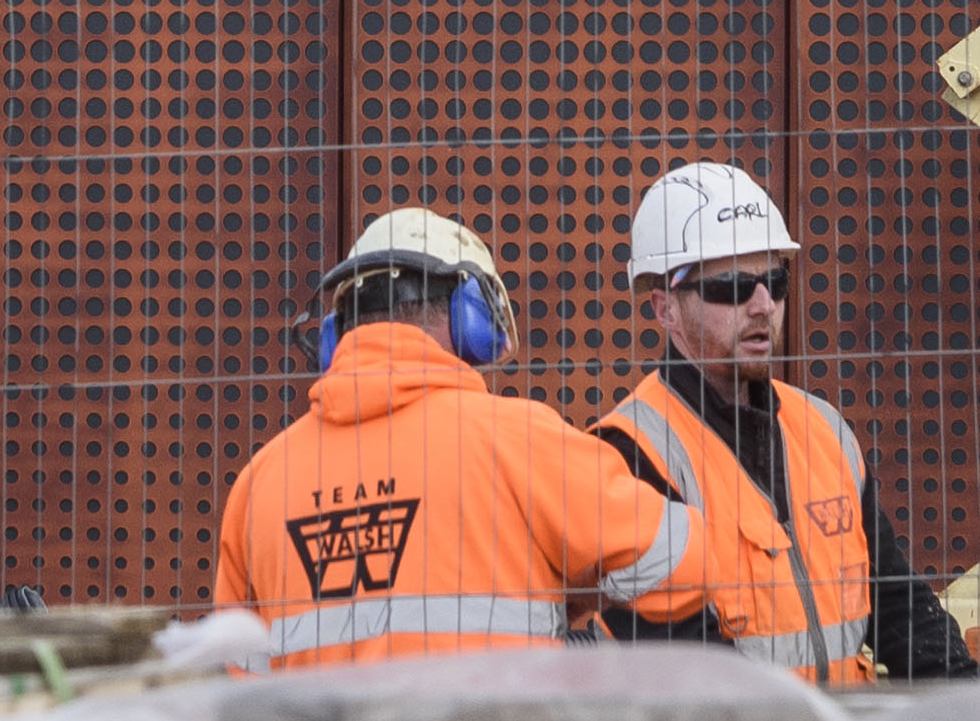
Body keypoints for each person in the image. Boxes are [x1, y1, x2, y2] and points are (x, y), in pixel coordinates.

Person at [210, 205, 702, 665]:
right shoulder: (523, 441)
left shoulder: (259, 484)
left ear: (336, 332)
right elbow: (687, 565)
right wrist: (576, 607)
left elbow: (241, 675)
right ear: (474, 315)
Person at [590, 164, 980, 685]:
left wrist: (975, 705)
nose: (763, 306)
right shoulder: (628, 454)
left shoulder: (822, 429)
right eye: (733, 287)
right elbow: (688, 664)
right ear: (665, 309)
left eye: (774, 282)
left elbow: (899, 603)